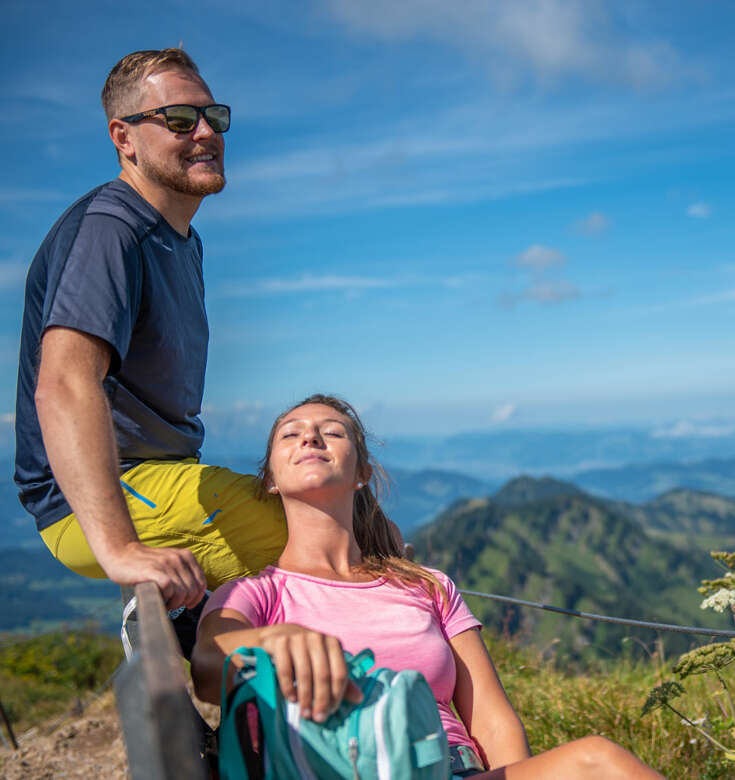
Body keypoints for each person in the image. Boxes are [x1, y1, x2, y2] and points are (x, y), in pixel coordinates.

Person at [191, 395, 666, 779]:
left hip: (452, 768)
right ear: (271, 479)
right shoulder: (256, 593)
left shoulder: (427, 586)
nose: (311, 436)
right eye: (291, 434)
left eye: (332, 431)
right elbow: (208, 669)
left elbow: (490, 717)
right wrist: (273, 640)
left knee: (599, 761)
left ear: (361, 475)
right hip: (341, 765)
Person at [14, 48, 287, 615]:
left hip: (164, 479)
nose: (206, 132)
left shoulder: (184, 242)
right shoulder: (112, 230)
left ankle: (217, 656)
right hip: (101, 495)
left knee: (339, 514)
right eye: (180, 120)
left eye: (215, 117)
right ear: (124, 137)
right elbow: (63, 385)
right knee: (320, 537)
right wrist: (119, 549)